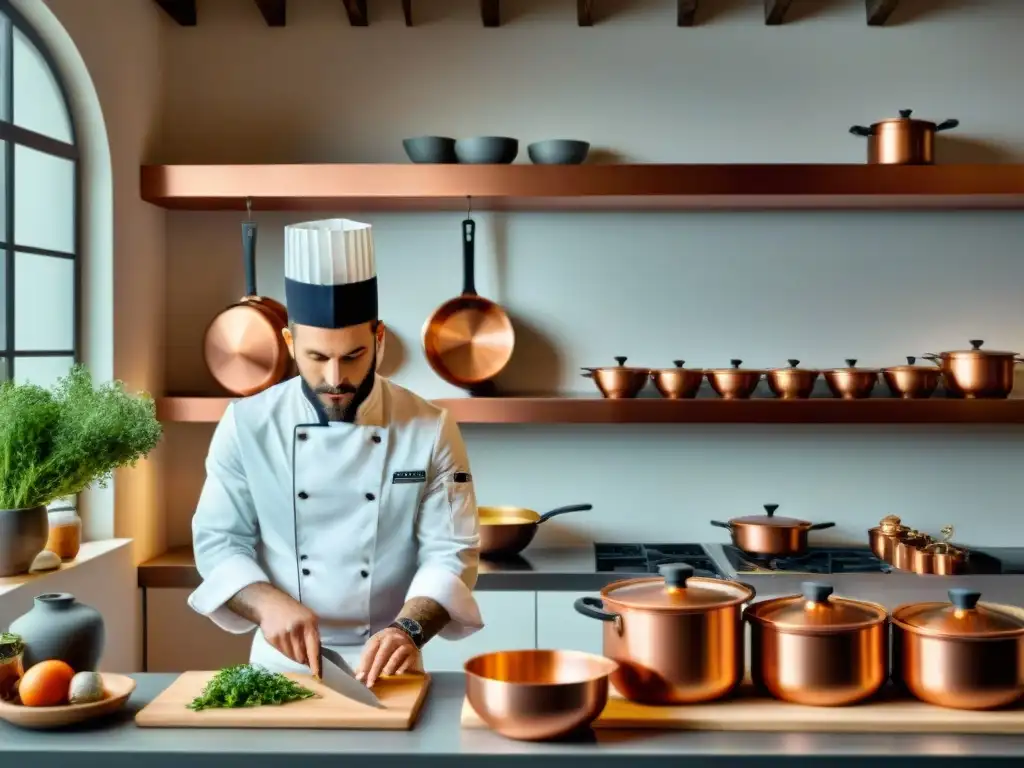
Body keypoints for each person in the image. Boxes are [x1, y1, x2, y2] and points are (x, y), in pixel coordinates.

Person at [188, 218, 482, 687]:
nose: (334, 378)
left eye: (353, 356)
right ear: (289, 343)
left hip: (391, 661)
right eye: (316, 357)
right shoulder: (246, 424)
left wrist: (408, 630)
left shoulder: (430, 427)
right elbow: (219, 541)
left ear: (379, 339)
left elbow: (451, 550)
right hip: (281, 663)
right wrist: (266, 601)